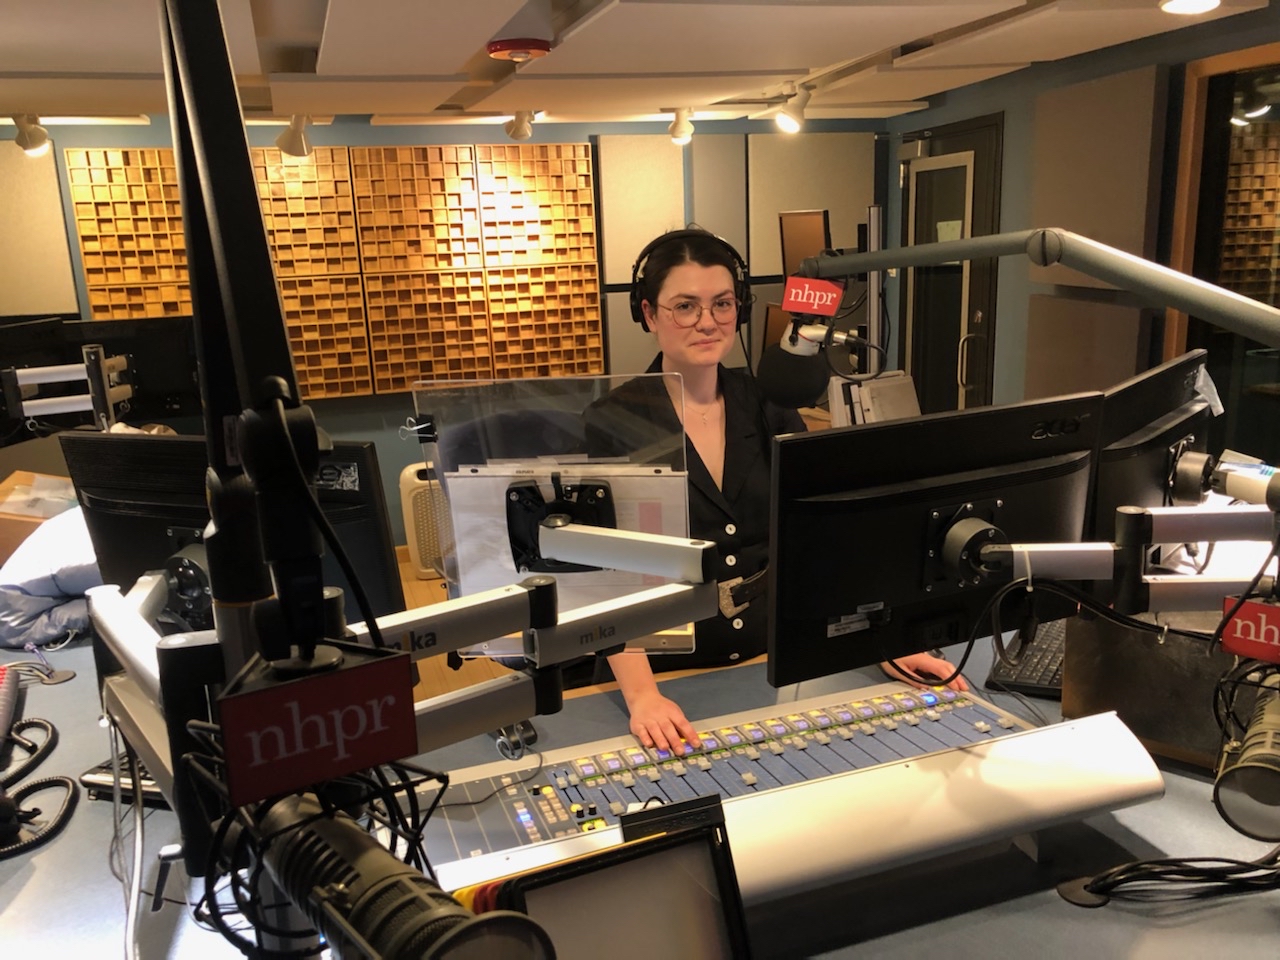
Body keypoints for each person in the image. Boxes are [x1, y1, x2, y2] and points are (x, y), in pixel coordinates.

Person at [584, 227, 966, 754]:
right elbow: (607, 572)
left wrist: (883, 639)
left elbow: (816, 539)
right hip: (668, 676)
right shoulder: (613, 421)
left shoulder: (768, 406)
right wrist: (644, 696)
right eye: (684, 306)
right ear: (648, 314)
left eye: (721, 304)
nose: (707, 322)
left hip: (771, 663)